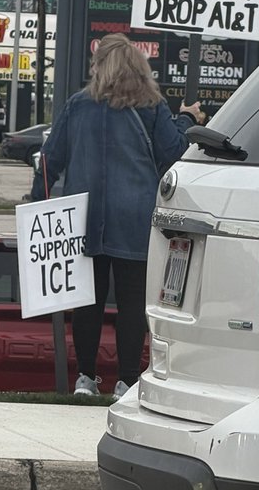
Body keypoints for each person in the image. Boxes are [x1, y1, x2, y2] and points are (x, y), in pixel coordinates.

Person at [31, 33, 205, 397]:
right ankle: (126, 379)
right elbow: (173, 152)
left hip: (85, 218)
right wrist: (186, 118)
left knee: (88, 304)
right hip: (135, 218)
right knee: (131, 305)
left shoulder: (78, 105)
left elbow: (51, 159)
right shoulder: (152, 107)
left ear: (101, 67)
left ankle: (86, 378)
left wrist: (40, 206)